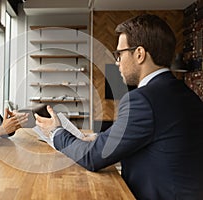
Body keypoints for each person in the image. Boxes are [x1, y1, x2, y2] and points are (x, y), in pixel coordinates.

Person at [35, 14, 203, 199]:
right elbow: (151, 136)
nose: (117, 62)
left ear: (139, 54)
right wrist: (98, 137)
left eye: (119, 54)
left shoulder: (142, 100)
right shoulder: (185, 94)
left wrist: (57, 132)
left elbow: (93, 158)